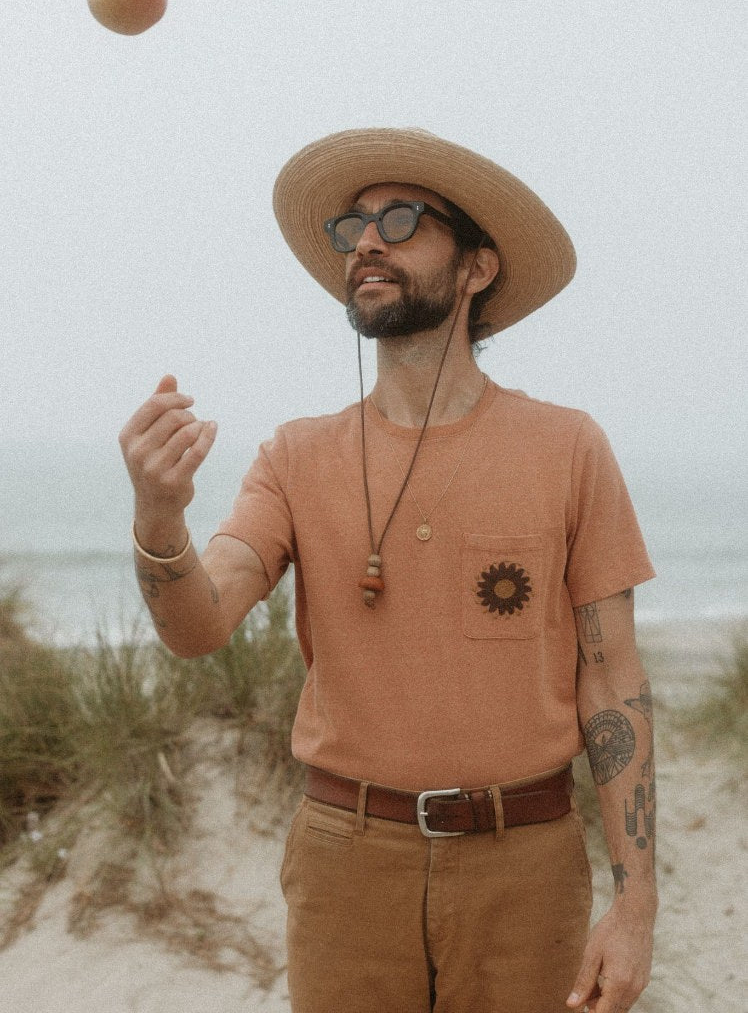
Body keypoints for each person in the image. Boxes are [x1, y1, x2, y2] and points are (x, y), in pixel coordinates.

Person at [119, 128, 658, 1013]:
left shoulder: (569, 448)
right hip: (346, 858)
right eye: (354, 226)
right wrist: (158, 516)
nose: (366, 241)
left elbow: (614, 680)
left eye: (401, 220)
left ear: (477, 267)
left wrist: (636, 906)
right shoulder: (295, 456)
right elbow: (198, 626)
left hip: (526, 859)